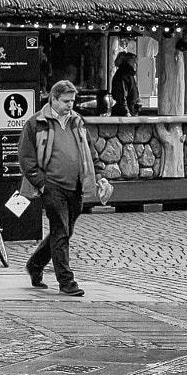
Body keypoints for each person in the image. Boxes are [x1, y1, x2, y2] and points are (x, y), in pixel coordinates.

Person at [18, 80, 108, 297]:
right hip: (52, 186)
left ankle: (35, 265)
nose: (70, 105)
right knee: (60, 231)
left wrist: (100, 176)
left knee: (65, 231)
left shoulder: (77, 122)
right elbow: (26, 157)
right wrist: (41, 183)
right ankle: (66, 281)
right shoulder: (35, 123)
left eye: (72, 101)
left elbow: (90, 151)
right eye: (66, 101)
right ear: (54, 99)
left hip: (75, 186)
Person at [109, 52, 139, 117]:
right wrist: (126, 112)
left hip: (130, 110)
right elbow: (121, 95)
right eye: (135, 62)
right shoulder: (123, 75)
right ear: (129, 61)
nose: (136, 65)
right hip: (124, 113)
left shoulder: (129, 75)